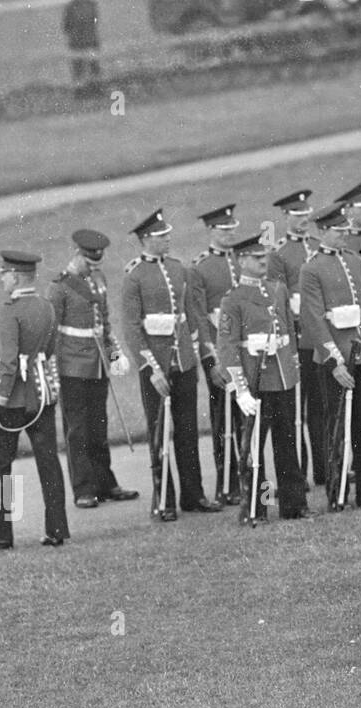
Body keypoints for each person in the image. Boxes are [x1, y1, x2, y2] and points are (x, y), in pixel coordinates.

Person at [122, 208, 222, 521]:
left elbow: (193, 315)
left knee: (188, 431)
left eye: (167, 235)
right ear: (145, 239)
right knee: (160, 433)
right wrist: (151, 368)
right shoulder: (134, 276)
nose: (167, 239)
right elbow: (132, 328)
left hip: (184, 362)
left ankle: (194, 495)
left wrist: (206, 352)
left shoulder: (179, 270)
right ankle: (163, 500)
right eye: (160, 236)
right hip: (158, 367)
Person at [0, 251, 70, 549]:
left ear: (15, 276)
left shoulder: (9, 312)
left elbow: (8, 364)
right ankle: (57, 529)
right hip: (41, 395)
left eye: (5, 273)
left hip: (13, 402)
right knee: (49, 462)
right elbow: (50, 350)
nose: (2, 278)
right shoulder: (46, 307)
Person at [298, 202, 361, 509]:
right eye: (337, 231)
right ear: (323, 231)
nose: (343, 236)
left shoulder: (353, 260)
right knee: (337, 425)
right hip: (334, 358)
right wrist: (335, 361)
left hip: (359, 353)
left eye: (344, 230)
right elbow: (314, 319)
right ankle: (336, 493)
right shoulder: (311, 268)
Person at [216, 233, 312, 524]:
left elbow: (289, 335)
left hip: (281, 377)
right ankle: (258, 507)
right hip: (256, 381)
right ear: (241, 260)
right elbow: (228, 347)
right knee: (254, 451)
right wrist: (240, 390)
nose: (262, 261)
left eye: (264, 257)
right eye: (256, 258)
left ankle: (294, 505)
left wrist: (293, 369)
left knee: (287, 444)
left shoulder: (277, 289)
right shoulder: (233, 299)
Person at [48, 229, 139, 509]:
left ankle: (105, 483)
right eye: (88, 262)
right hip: (73, 366)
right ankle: (84, 489)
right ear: (76, 254)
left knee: (99, 426)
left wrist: (114, 355)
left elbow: (105, 323)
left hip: (98, 364)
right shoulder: (61, 287)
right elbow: (53, 332)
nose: (92, 268)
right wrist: (53, 370)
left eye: (96, 263)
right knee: (78, 430)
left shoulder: (99, 279)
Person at [268, 189, 326, 487]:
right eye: (296, 215)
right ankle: (298, 472)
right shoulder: (278, 254)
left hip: (318, 337)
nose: (302, 220)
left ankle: (324, 467)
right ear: (286, 217)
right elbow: (279, 298)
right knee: (297, 411)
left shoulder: (317, 246)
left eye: (306, 214)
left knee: (320, 406)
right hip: (297, 338)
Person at [188, 204, 244, 505]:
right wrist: (212, 360)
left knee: (249, 417)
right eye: (224, 229)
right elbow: (198, 317)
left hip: (246, 350)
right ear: (211, 231)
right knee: (224, 421)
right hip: (221, 354)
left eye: (232, 227)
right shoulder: (200, 268)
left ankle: (250, 477)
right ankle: (228, 482)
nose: (230, 233)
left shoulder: (241, 260)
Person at [61, 0, 102, 94]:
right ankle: (96, 88)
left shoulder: (70, 7)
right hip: (90, 40)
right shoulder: (91, 5)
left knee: (78, 67)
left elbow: (66, 26)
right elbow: (95, 22)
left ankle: (80, 90)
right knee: (93, 66)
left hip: (77, 42)